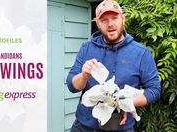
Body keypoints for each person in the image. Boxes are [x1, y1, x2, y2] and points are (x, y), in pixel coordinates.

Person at [66, 0, 161, 131]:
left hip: (120, 127)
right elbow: (72, 86)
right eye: (104, 20)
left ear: (123, 19)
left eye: (115, 18)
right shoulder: (86, 48)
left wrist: (125, 103)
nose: (110, 24)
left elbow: (154, 90)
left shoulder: (141, 53)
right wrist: (84, 75)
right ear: (98, 24)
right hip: (83, 127)